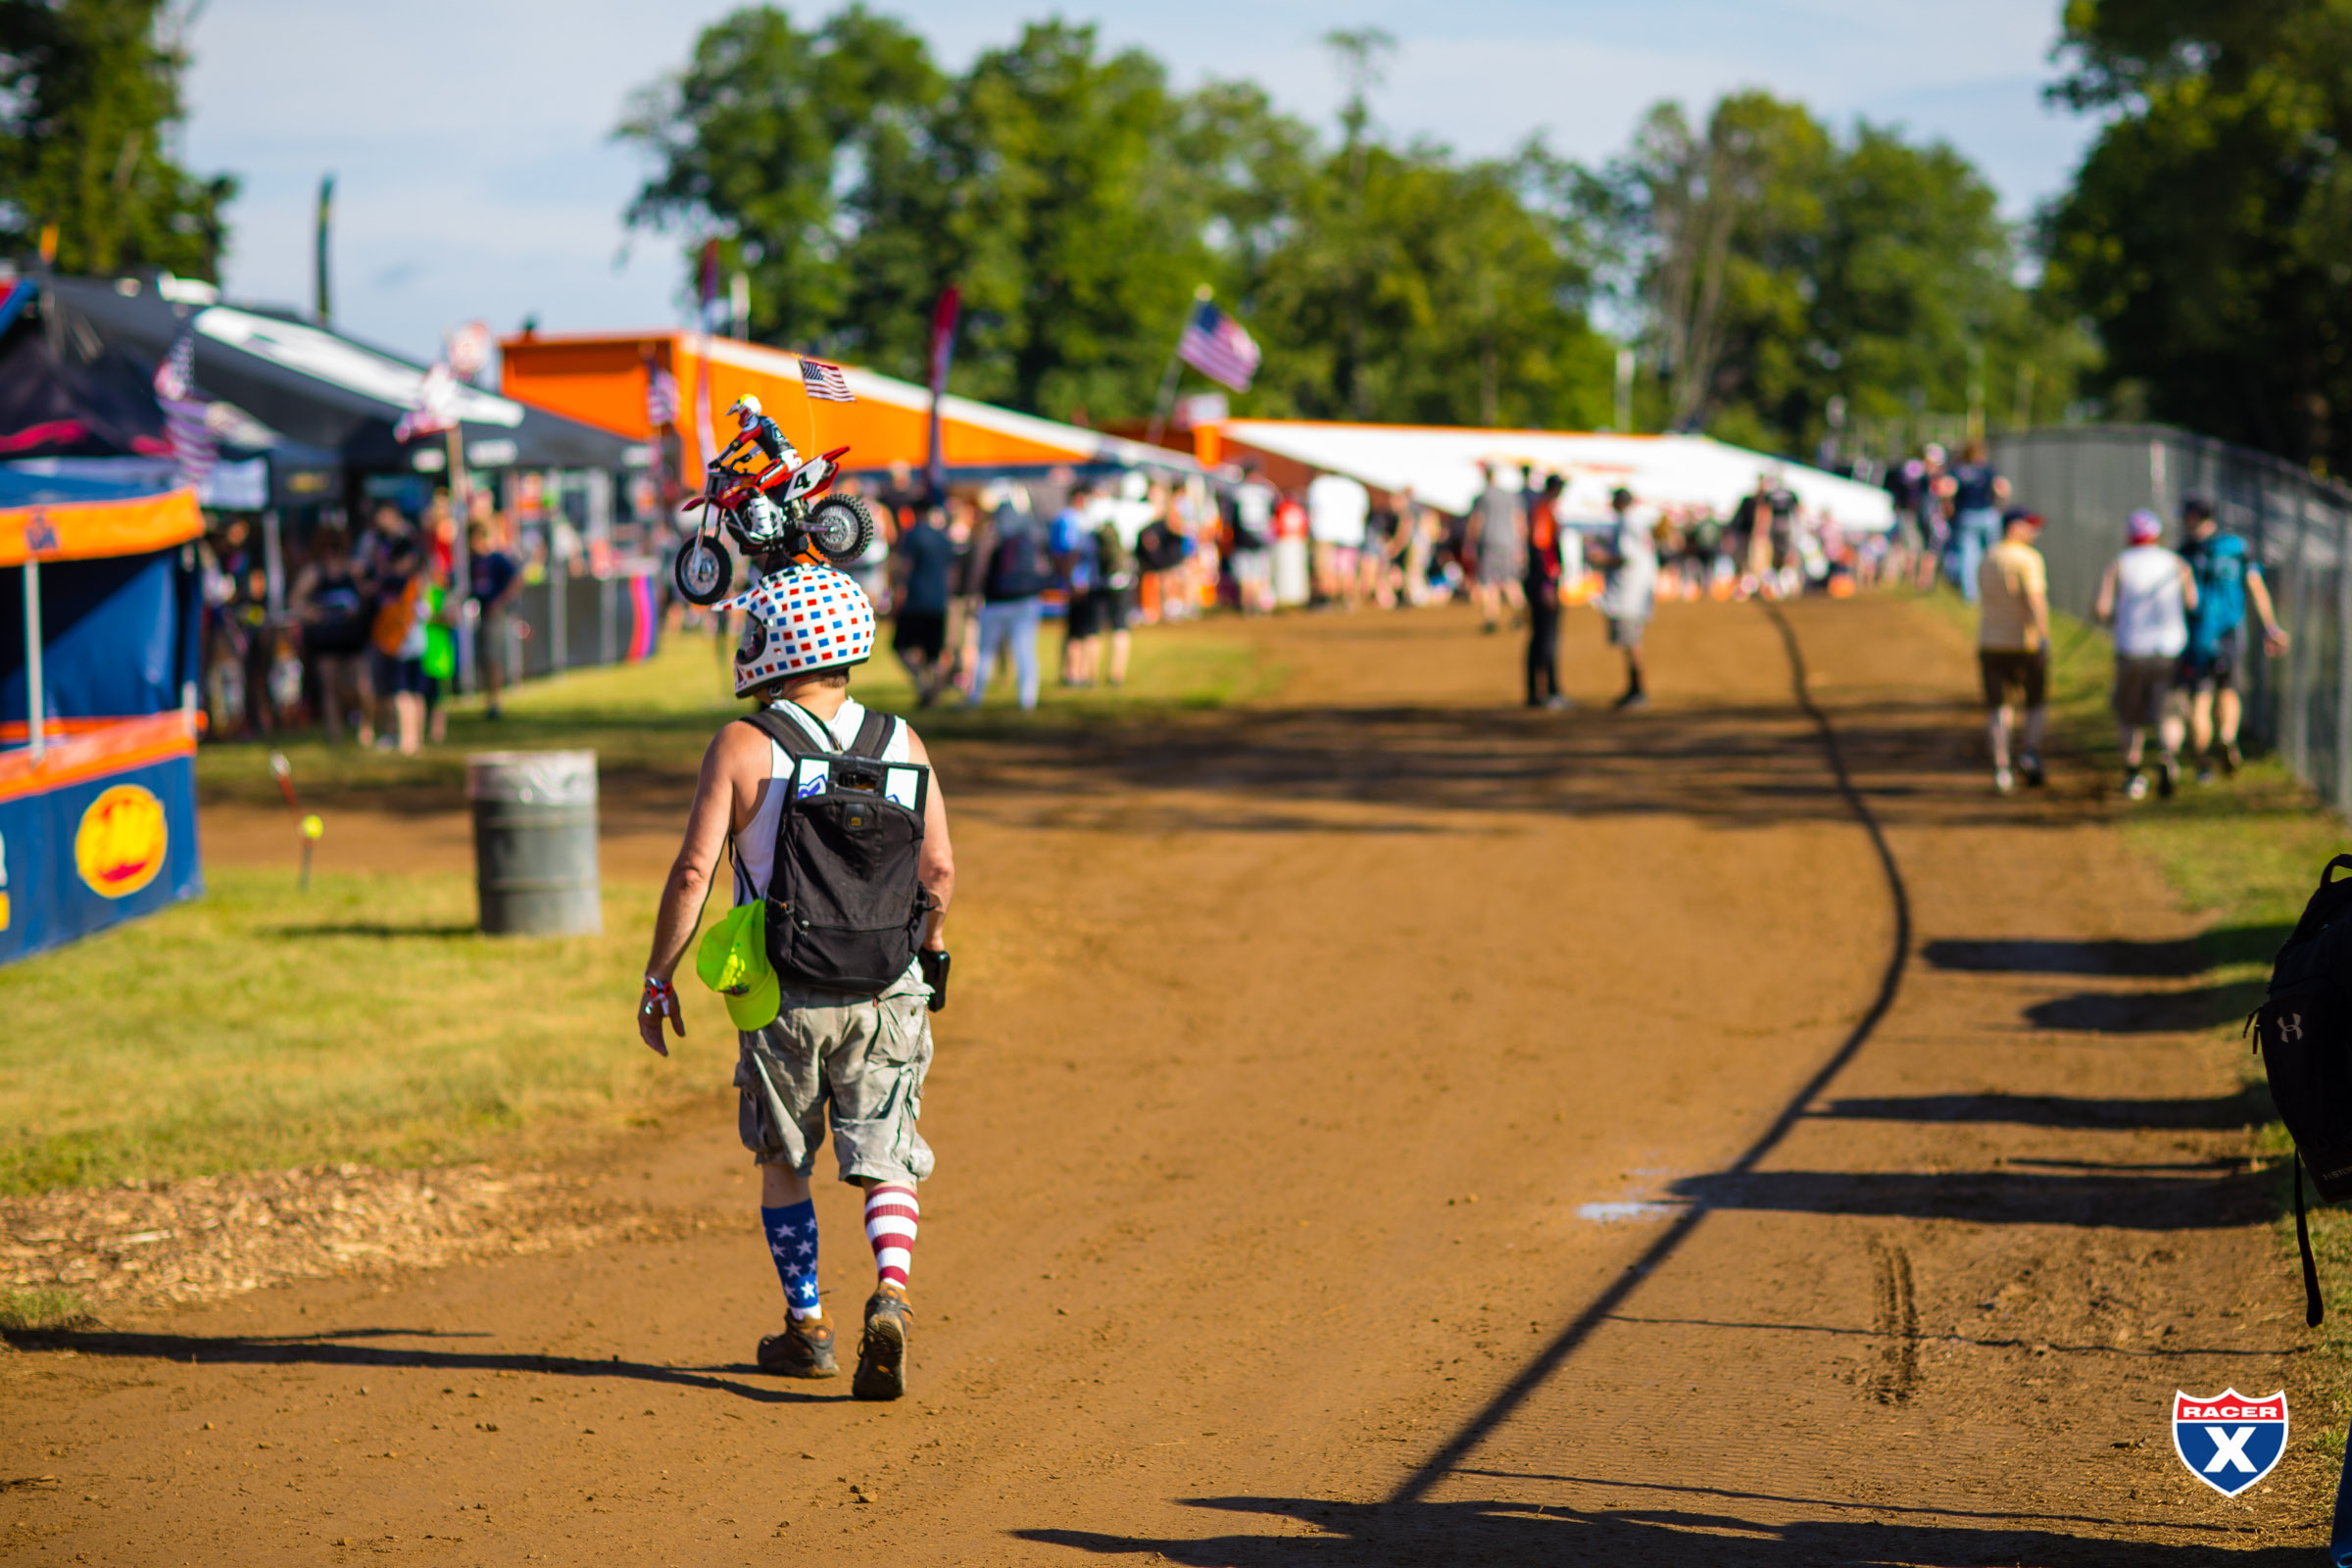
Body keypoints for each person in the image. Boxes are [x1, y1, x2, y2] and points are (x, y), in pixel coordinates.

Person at [635, 562, 955, 1400]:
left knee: (785, 1158)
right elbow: (940, 870)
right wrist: (925, 949)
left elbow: (695, 870)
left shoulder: (744, 744)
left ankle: (807, 1324)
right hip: (885, 985)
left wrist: (660, 975)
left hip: (782, 990)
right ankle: (891, 1291)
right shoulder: (902, 740)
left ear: (775, 646)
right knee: (887, 1154)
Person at [2178, 494, 2290, 781]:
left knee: (2200, 699)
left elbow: (2183, 599)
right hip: (2231, 634)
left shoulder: (2184, 553)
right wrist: (2271, 627)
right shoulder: (2237, 548)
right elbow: (2256, 588)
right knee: (2229, 691)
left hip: (2198, 636)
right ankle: (2228, 736)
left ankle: (2203, 764)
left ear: (2192, 518)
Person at [2094, 509, 2198, 800]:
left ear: (2130, 536)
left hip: (2131, 649)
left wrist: (2115, 619)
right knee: (2170, 711)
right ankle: (2168, 756)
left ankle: (2133, 774)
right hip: (2169, 649)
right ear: (2158, 535)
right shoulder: (2177, 563)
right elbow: (2193, 603)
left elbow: (2102, 609)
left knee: (2131, 715)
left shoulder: (2119, 564)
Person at [1978, 508, 2050, 794]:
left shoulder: (1988, 556)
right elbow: (2035, 599)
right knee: (2034, 702)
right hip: (2025, 645)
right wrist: (2043, 636)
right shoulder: (2029, 559)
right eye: (2029, 525)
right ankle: (2030, 753)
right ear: (2013, 527)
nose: (2035, 531)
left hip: (1990, 642)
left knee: (1999, 707)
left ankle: (2002, 767)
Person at [963, 484, 1049, 710]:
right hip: (1026, 599)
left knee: (985, 653)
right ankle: (1027, 701)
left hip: (996, 601)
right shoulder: (1030, 528)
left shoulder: (994, 531)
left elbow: (980, 565)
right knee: (1024, 652)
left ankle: (975, 698)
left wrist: (973, 592)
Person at [290, 525, 374, 745]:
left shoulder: (353, 570)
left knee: (361, 686)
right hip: (327, 638)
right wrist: (313, 613)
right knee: (330, 687)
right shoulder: (315, 572)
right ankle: (335, 734)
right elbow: (295, 601)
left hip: (352, 636)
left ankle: (365, 728)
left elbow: (369, 593)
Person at [1592, 485, 1658, 710]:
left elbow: (1625, 556)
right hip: (1637, 592)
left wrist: (1600, 559)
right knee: (1631, 641)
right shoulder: (1637, 522)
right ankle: (1635, 689)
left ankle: (1637, 690)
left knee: (1631, 643)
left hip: (1629, 593)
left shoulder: (1626, 523)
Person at [891, 505, 958, 706]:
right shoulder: (943, 538)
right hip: (938, 603)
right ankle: (934, 691)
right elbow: (952, 571)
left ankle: (923, 684)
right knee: (934, 654)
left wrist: (897, 593)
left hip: (915, 602)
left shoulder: (913, 535)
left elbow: (905, 566)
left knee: (900, 646)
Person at [716, 394, 802, 550]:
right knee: (773, 491)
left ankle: (765, 530)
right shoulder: (765, 421)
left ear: (746, 410)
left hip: (783, 460)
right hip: (790, 457)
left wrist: (718, 460)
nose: (739, 419)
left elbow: (738, 443)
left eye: (740, 414)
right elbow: (763, 444)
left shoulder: (754, 422)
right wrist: (746, 457)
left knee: (755, 487)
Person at [466, 517, 522, 719]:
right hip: (480, 614)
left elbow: (516, 579)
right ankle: (488, 699)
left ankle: (496, 701)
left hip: (495, 615)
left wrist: (500, 602)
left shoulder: (496, 559)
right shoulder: (472, 562)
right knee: (483, 659)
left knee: (492, 658)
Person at [1522, 474, 1569, 710]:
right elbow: (1539, 548)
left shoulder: (1543, 509)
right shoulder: (1543, 511)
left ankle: (1540, 691)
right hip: (1543, 583)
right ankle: (1547, 691)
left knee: (1542, 636)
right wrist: (1547, 585)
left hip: (1541, 582)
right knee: (1546, 637)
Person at [1945, 440, 2011, 604]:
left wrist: (1948, 505)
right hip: (1988, 514)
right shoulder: (1987, 470)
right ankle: (1998, 590)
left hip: (1966, 515)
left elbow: (1948, 490)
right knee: (1995, 554)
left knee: (1968, 557)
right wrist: (2000, 506)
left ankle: (1971, 595)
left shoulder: (1957, 470)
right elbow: (2002, 489)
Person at [1050, 483, 1102, 685]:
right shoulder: (1070, 519)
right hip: (1080, 583)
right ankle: (1076, 674)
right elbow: (1069, 553)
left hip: (1082, 582)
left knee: (1080, 630)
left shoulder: (1074, 518)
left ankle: (1080, 674)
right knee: (1080, 632)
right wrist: (1072, 581)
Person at [1470, 463, 1526, 632]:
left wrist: (1471, 543)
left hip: (1489, 543)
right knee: (1510, 580)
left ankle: (1491, 618)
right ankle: (1521, 613)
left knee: (1490, 583)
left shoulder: (1482, 497)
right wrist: (1521, 545)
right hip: (1509, 544)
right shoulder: (1511, 496)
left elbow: (1477, 521)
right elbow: (1519, 521)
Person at [1305, 469, 1370, 610]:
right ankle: (1348, 601)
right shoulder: (1356, 486)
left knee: (1325, 569)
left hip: (1324, 533)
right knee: (1347, 569)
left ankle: (1328, 600)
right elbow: (1363, 513)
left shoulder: (1319, 484)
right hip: (1351, 534)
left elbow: (1312, 510)